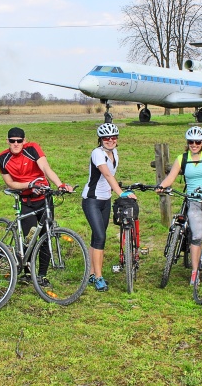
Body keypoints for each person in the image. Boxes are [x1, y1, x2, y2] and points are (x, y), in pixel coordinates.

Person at [0, 127, 73, 286]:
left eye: (19, 140)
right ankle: (27, 272)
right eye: (12, 141)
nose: (16, 144)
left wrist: (60, 184)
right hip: (25, 199)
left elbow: (46, 168)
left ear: (24, 141)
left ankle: (42, 275)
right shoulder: (2, 158)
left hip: (44, 197)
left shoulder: (32, 148)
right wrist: (29, 184)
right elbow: (10, 183)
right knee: (30, 237)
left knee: (45, 235)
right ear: (8, 141)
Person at [157, 126, 202, 284]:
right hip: (193, 201)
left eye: (198, 142)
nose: (194, 144)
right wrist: (161, 186)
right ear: (187, 143)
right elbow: (171, 177)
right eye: (191, 142)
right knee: (197, 235)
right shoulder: (182, 158)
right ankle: (194, 271)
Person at [81, 123, 137, 292]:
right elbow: (106, 173)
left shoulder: (114, 153)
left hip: (105, 200)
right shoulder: (97, 153)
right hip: (92, 200)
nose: (110, 141)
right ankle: (98, 278)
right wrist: (121, 193)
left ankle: (91, 273)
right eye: (106, 138)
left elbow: (110, 177)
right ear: (101, 139)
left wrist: (118, 190)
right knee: (100, 237)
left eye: (113, 138)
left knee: (97, 237)